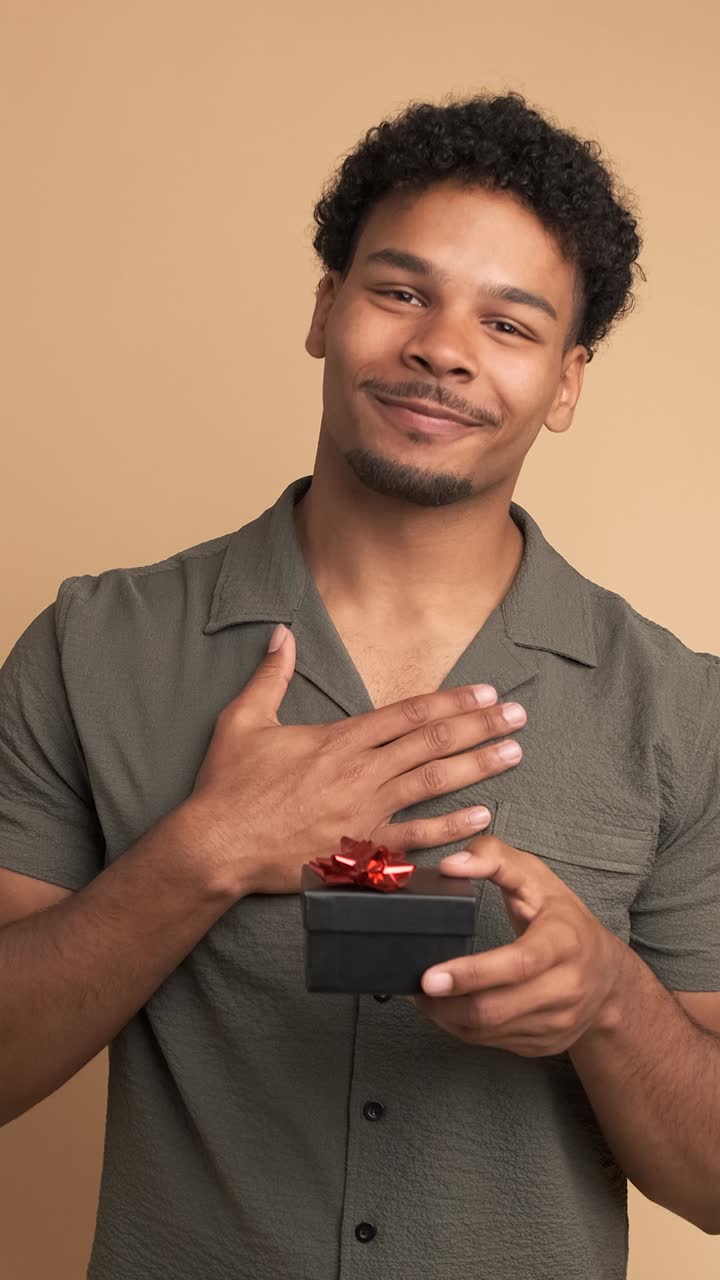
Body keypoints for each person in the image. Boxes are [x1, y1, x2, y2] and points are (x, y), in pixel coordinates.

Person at [1, 91, 719, 1280]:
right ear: (326, 307)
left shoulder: (683, 711)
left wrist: (609, 1001)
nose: (442, 346)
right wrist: (204, 851)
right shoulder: (93, 644)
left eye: (510, 323)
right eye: (400, 291)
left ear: (569, 380)